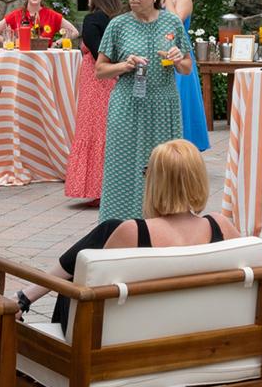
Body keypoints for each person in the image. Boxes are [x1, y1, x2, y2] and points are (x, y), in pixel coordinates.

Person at [14, 139, 238, 332]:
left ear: (155, 182)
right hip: (204, 334)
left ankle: (23, 301)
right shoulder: (221, 225)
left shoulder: (133, 232)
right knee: (108, 230)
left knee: (77, 275)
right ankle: (23, 298)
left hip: (134, 341)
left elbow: (91, 291)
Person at [95, 0, 192, 223]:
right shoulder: (118, 25)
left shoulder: (172, 22)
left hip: (163, 105)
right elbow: (100, 70)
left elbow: (186, 68)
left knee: (165, 169)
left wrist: (176, 58)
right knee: (123, 168)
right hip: (127, 105)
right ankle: (118, 226)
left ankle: (165, 224)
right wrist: (123, 65)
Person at [64, 0, 123, 203]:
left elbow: (99, 52)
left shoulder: (91, 20)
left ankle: (96, 189)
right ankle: (113, 187)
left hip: (95, 82)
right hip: (115, 79)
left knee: (92, 130)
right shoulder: (119, 20)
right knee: (109, 131)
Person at [159, 0, 210, 152]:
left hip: (180, 53)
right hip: (161, 52)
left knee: (181, 101)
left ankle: (185, 148)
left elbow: (176, 24)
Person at [0, 0, 79, 47]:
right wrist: (10, 42)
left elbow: (74, 32)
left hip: (45, 60)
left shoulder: (52, 15)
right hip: (22, 59)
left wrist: (57, 43)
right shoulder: (16, 15)